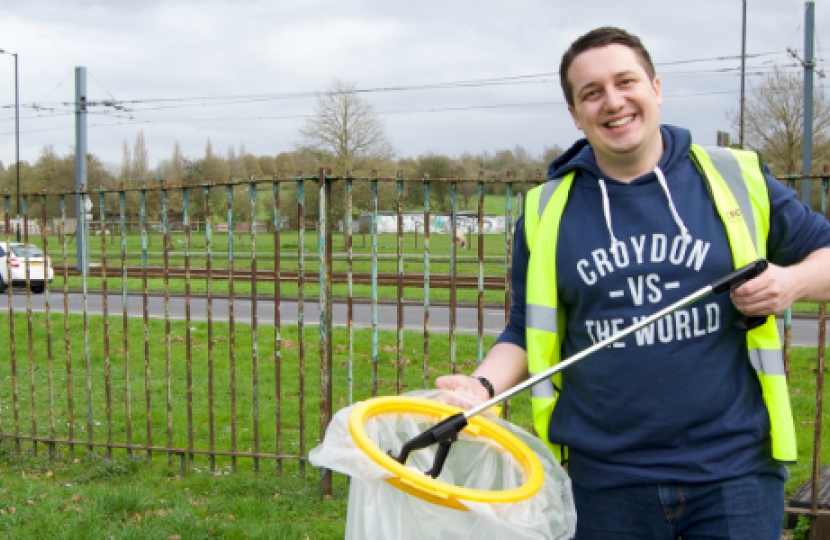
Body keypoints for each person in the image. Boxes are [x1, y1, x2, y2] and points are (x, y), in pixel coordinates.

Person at [436, 26, 830, 540]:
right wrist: (481, 385)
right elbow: (525, 332)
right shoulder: (543, 211)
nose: (613, 102)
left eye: (626, 82)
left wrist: (791, 282)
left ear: (656, 88)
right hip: (604, 484)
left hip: (735, 476)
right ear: (576, 115)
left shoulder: (737, 177)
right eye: (592, 93)